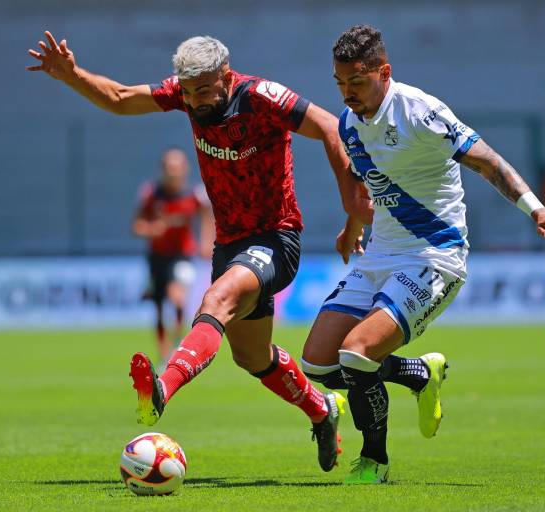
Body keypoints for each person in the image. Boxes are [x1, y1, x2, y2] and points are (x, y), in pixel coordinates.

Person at [27, 31, 370, 472]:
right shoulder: (186, 96)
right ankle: (323, 411)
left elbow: (328, 125)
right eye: (187, 91)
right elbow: (119, 97)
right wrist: (72, 75)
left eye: (204, 90)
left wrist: (351, 206)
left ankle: (162, 390)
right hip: (230, 244)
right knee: (251, 356)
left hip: (274, 238)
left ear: (226, 76)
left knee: (216, 301)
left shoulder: (263, 97)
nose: (195, 100)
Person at [300, 25, 545, 484]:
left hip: (434, 256)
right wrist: (352, 227)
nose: (347, 94)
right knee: (318, 363)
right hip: (380, 256)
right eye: (340, 83)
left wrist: (538, 209)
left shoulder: (421, 112)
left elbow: (488, 161)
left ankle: (374, 462)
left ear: (384, 73)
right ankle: (418, 374)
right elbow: (366, 183)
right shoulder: (350, 123)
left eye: (357, 81)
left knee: (356, 354)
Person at [133, 147, 214, 367]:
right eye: (169, 167)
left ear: (185, 169)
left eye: (177, 167)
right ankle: (164, 355)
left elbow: (207, 216)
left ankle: (178, 338)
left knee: (177, 297)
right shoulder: (152, 195)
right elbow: (137, 226)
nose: (173, 172)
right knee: (159, 307)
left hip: (183, 254)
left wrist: (207, 242)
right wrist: (152, 230)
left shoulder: (193, 195)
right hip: (157, 256)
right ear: (163, 169)